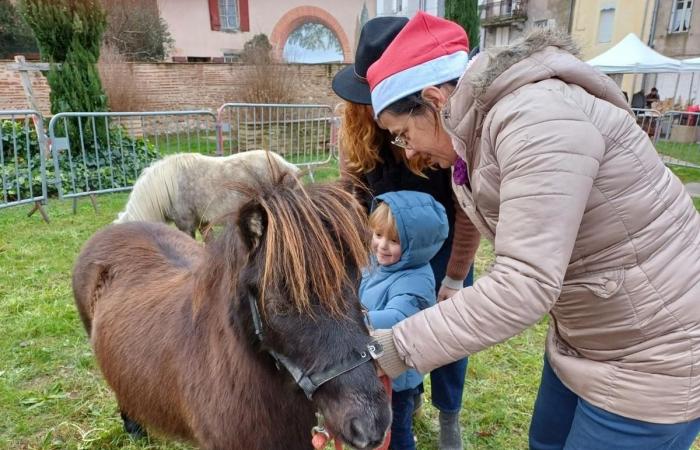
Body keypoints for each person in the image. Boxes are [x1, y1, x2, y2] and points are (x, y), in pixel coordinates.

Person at [367, 12, 700, 450]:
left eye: (404, 133)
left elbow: (524, 282)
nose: (409, 149)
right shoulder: (485, 129)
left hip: (653, 356)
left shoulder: (535, 122)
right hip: (588, 337)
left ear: (435, 100)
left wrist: (395, 346)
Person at [332, 16, 479, 450]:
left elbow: (466, 205)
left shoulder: (440, 124)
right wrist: (358, 254)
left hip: (440, 242)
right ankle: (405, 394)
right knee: (388, 320)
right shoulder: (357, 129)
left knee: (451, 329)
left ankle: (449, 414)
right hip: (383, 244)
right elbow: (351, 195)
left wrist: (454, 277)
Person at [360, 191, 449, 450]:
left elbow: (398, 317)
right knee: (376, 425)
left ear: (418, 245)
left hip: (399, 373)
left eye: (395, 240)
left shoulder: (416, 279)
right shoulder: (379, 262)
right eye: (378, 235)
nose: (382, 245)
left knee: (396, 429)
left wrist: (353, 318)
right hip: (377, 360)